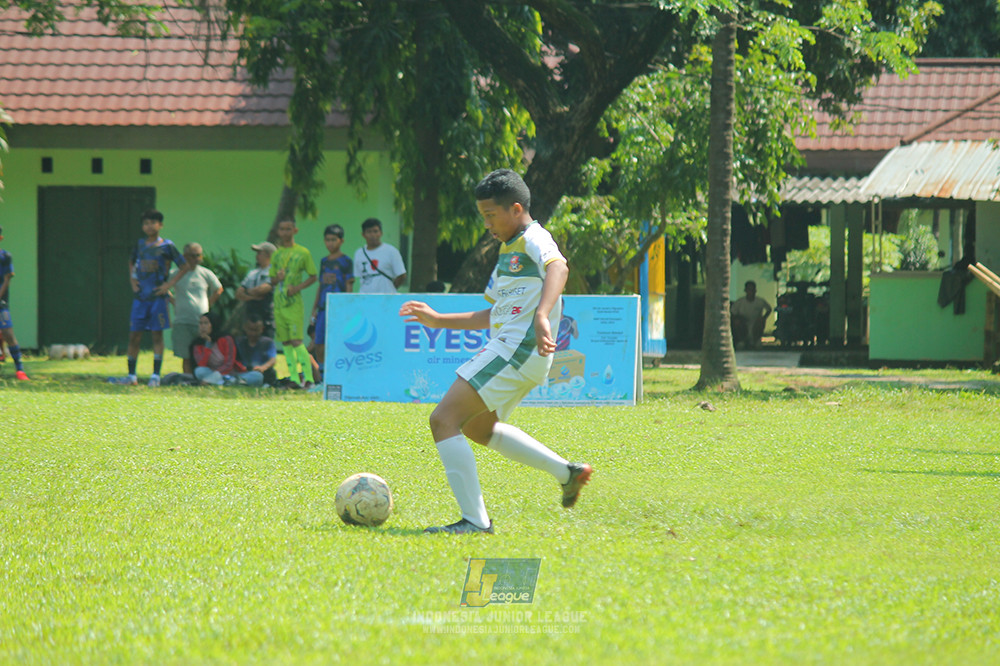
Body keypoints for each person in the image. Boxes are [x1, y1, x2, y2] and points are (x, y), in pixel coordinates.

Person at [398, 168, 592, 535]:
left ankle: (475, 521)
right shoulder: (506, 253)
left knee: (442, 420)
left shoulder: (535, 238)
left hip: (516, 350)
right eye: (482, 216)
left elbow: (559, 266)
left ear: (516, 209)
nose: (486, 224)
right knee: (477, 427)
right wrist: (438, 320)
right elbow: (493, 313)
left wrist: (542, 315)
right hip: (518, 352)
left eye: (490, 215)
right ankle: (566, 472)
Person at [110, 210, 188, 386]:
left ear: (160, 225)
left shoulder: (167, 246)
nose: (149, 226)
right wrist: (132, 281)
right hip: (140, 298)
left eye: (153, 223)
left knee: (156, 336)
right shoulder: (139, 245)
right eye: (146, 223)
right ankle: (131, 376)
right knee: (134, 336)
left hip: (157, 299)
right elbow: (131, 262)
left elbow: (184, 266)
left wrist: (168, 285)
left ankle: (155, 376)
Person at [269, 218, 318, 387]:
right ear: (278, 231)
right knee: (285, 342)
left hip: (294, 304)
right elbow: (272, 280)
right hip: (279, 303)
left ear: (295, 231)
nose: (285, 233)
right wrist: (278, 278)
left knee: (297, 341)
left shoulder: (303, 252)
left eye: (288, 229)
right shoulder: (276, 254)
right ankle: (294, 379)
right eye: (282, 229)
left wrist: (297, 288)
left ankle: (309, 378)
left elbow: (313, 276)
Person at [170, 242, 223, 377]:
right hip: (182, 320)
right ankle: (188, 379)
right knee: (185, 354)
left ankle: (202, 378)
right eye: (192, 256)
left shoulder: (205, 273)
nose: (196, 259)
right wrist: (173, 301)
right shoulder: (175, 273)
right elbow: (164, 288)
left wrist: (208, 305)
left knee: (204, 350)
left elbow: (218, 289)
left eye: (198, 255)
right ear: (184, 256)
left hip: (202, 322)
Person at [311, 224, 354, 371]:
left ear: (341, 241)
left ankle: (335, 372)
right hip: (323, 307)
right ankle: (322, 373)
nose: (330, 243)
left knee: (336, 341)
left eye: (333, 240)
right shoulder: (324, 261)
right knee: (319, 342)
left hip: (339, 308)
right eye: (327, 240)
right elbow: (320, 286)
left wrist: (348, 307)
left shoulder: (346, 261)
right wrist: (314, 309)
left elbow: (349, 285)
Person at [190, 311, 263, 386]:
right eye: (200, 323)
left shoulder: (226, 338)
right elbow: (201, 364)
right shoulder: (197, 343)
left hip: (232, 373)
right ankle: (230, 383)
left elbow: (229, 363)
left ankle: (224, 382)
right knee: (199, 371)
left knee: (257, 376)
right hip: (211, 372)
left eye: (206, 323)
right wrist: (207, 344)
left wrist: (215, 376)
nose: (203, 326)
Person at [0, 226, 29, 380]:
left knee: (8, 334)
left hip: (1, 302)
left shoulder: (5, 256)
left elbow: (7, 279)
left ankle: (20, 369)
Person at [354, 217, 407, 293]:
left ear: (381, 233)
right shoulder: (359, 253)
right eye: (369, 232)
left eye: (375, 231)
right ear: (363, 234)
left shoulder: (391, 251)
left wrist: (390, 288)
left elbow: (402, 275)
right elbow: (359, 275)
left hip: (386, 297)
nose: (372, 235)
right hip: (365, 297)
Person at [236, 241, 276, 338]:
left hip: (267, 318)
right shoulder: (252, 273)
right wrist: (253, 296)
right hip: (250, 317)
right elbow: (238, 293)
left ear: (268, 255)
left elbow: (263, 290)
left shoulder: (274, 272)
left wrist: (247, 292)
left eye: (259, 253)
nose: (256, 256)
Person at [235, 314, 278, 387]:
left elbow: (273, 360)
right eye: (250, 330)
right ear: (245, 328)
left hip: (259, 373)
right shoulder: (239, 342)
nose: (253, 333)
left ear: (262, 329)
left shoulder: (267, 342)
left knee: (258, 376)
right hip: (243, 372)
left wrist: (262, 368)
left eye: (256, 330)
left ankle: (240, 382)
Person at [731, 280, 773, 349]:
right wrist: (737, 319)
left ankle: (756, 341)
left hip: (755, 324)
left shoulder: (760, 301)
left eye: (752, 290)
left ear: (755, 290)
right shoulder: (740, 302)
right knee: (737, 323)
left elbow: (769, 309)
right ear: (745, 290)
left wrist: (764, 317)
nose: (750, 292)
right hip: (744, 324)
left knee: (761, 322)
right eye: (749, 290)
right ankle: (742, 341)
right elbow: (732, 312)